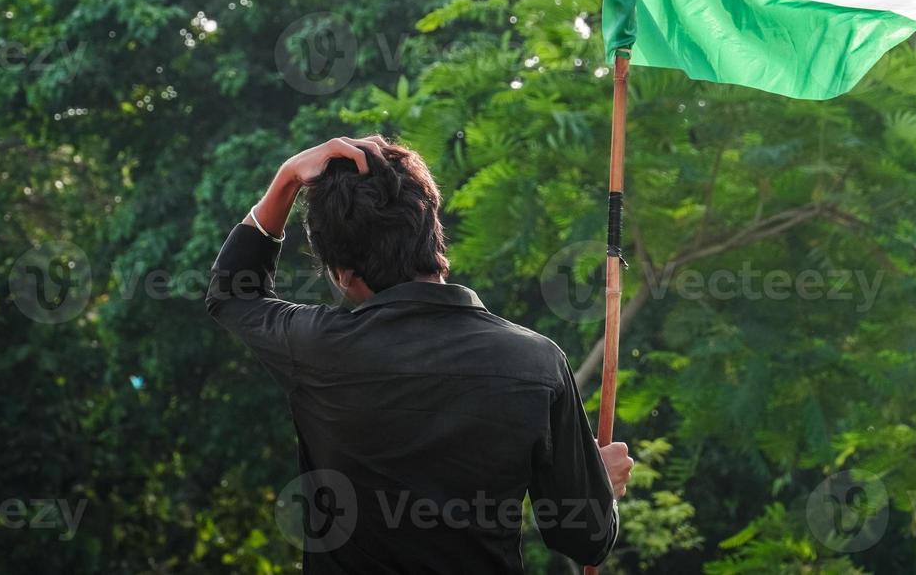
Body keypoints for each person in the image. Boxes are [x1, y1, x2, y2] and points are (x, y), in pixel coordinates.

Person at [206, 135, 632, 573]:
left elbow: (232, 292)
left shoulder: (317, 348)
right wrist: (596, 483)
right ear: (433, 232)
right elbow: (585, 539)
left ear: (342, 273)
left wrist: (288, 178)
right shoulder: (537, 363)